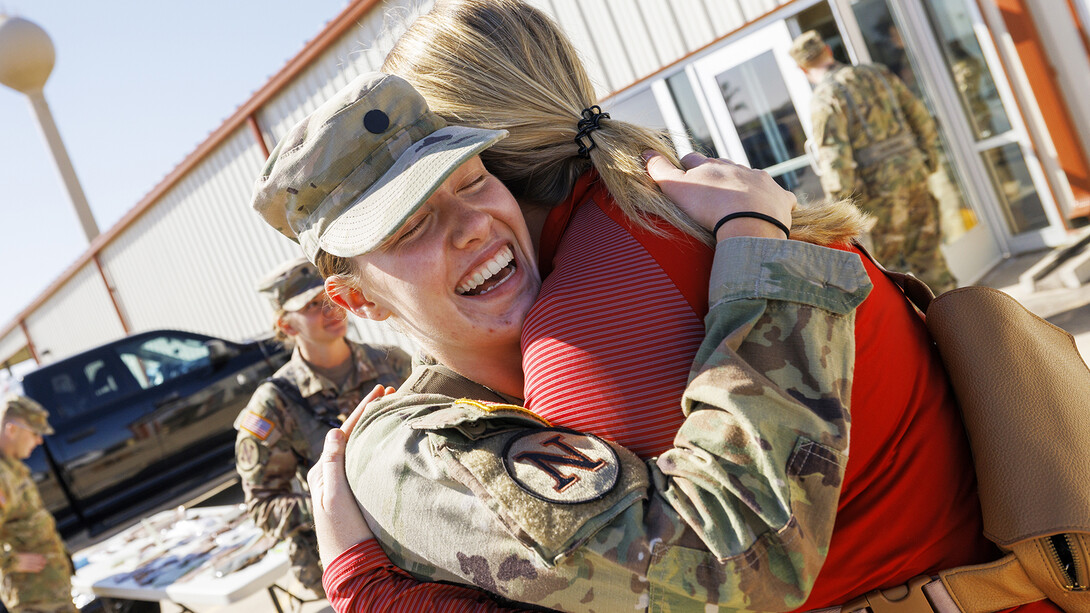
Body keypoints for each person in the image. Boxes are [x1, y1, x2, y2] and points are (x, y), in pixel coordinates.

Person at [304, 2, 1056, 612]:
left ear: (482, 150)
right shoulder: (696, 205)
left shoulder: (583, 336)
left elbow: (711, 577)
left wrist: (367, 586)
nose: (459, 220)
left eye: (448, 170)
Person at [254, 67, 867, 611]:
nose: (473, 226)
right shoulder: (413, 452)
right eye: (411, 225)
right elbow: (734, 571)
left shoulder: (580, 336)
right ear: (357, 299)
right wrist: (756, 242)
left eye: (472, 182)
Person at [233, 257, 411, 596]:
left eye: (330, 297)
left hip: (412, 530)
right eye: (313, 306)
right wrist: (333, 497)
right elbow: (263, 507)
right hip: (350, 560)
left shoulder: (391, 362)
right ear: (287, 326)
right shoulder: (274, 403)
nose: (330, 310)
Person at [790, 29, 957, 294]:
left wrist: (840, 212)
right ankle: (959, 321)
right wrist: (929, 163)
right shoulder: (879, 73)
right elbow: (921, 118)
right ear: (829, 52)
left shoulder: (825, 98)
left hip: (879, 194)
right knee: (929, 257)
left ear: (802, 69)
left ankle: (923, 332)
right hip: (914, 174)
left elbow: (836, 162)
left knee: (888, 272)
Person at [0, 395, 76, 613]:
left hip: (51, 592)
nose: (39, 440)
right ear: (12, 430)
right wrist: (10, 561)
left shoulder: (14, 469)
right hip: (34, 600)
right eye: (34, 433)